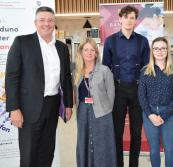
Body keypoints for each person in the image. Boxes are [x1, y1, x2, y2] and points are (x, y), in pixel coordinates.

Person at [5, 6, 73, 167]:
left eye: (50, 20)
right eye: (42, 20)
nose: (46, 24)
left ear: (54, 23)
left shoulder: (62, 48)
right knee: (29, 154)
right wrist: (14, 108)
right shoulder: (22, 42)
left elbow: (67, 78)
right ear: (35, 23)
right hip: (29, 108)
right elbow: (11, 77)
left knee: (47, 151)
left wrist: (68, 104)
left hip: (53, 105)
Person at [102, 5, 150, 167]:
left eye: (132, 17)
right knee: (117, 132)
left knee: (136, 133)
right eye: (126, 17)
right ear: (120, 19)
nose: (129, 20)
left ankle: (133, 164)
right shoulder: (110, 41)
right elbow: (105, 69)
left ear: (135, 20)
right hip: (117, 90)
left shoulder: (143, 41)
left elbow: (146, 69)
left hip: (137, 90)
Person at [138, 37, 173, 167]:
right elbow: (141, 95)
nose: (160, 51)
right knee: (154, 150)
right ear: (152, 51)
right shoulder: (145, 70)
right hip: (150, 114)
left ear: (167, 50)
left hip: (170, 115)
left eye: (163, 48)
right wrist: (150, 115)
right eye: (156, 48)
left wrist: (164, 115)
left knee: (169, 149)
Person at [74, 38, 116, 167]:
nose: (89, 53)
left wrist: (106, 111)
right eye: (86, 50)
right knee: (84, 141)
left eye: (92, 50)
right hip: (82, 112)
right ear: (81, 52)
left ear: (96, 53)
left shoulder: (105, 70)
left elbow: (111, 94)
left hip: (102, 113)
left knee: (102, 144)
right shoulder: (76, 72)